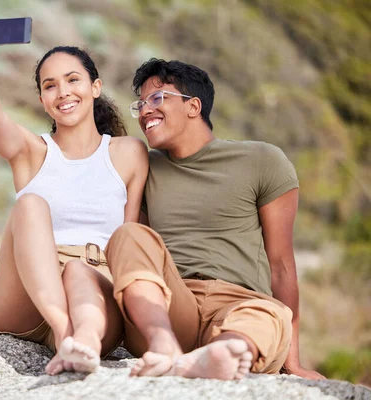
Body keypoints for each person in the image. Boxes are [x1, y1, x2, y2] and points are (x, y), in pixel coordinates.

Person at [104, 58, 326, 380]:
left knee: (269, 313)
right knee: (128, 235)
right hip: (170, 304)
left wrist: (294, 363)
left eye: (157, 98)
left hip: (241, 304)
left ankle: (221, 353)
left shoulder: (262, 160)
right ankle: (164, 345)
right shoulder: (144, 165)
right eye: (140, 104)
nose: (145, 111)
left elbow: (281, 265)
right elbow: (132, 248)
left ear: (193, 106)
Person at [0, 15, 148, 375]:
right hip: (25, 298)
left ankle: (83, 344)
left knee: (81, 273)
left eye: (72, 80)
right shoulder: (31, 151)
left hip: (96, 280)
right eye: (50, 86)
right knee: (31, 203)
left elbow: (130, 237)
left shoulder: (129, 153)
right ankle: (66, 333)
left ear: (95, 87)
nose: (63, 91)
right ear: (42, 100)